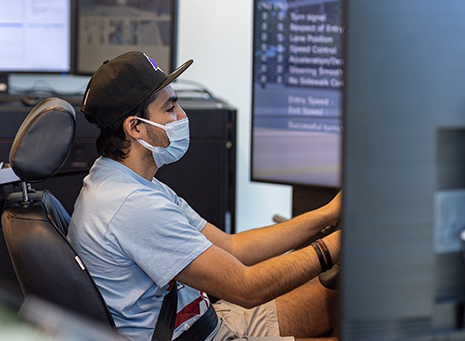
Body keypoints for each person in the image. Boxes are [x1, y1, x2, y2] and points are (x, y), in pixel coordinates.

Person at [67, 51, 341, 341]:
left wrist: (329, 212)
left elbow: (233, 248)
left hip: (203, 321)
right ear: (135, 127)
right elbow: (248, 288)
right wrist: (339, 244)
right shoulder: (132, 206)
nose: (182, 116)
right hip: (195, 334)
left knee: (337, 297)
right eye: (170, 108)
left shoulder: (121, 179)